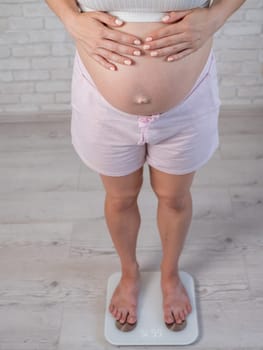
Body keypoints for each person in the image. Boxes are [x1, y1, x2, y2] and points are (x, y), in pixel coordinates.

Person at [46, 0, 246, 332]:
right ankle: (129, 273)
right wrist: (69, 18)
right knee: (120, 198)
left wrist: (217, 16)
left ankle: (170, 275)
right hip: (102, 103)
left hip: (188, 100)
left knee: (175, 198)